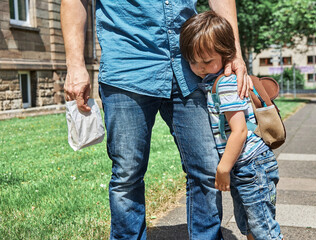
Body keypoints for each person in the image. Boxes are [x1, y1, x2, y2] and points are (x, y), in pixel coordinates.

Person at [60, 1, 251, 239]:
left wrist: (233, 52)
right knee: (127, 175)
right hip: (127, 67)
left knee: (207, 168)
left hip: (189, 65)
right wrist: (75, 64)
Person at [180, 11, 283, 240]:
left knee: (264, 229)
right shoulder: (212, 81)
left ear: (226, 52)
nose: (200, 68)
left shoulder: (226, 83)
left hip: (251, 165)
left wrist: (223, 168)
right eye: (193, 62)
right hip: (245, 165)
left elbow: (240, 131)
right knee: (249, 226)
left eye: (207, 61)